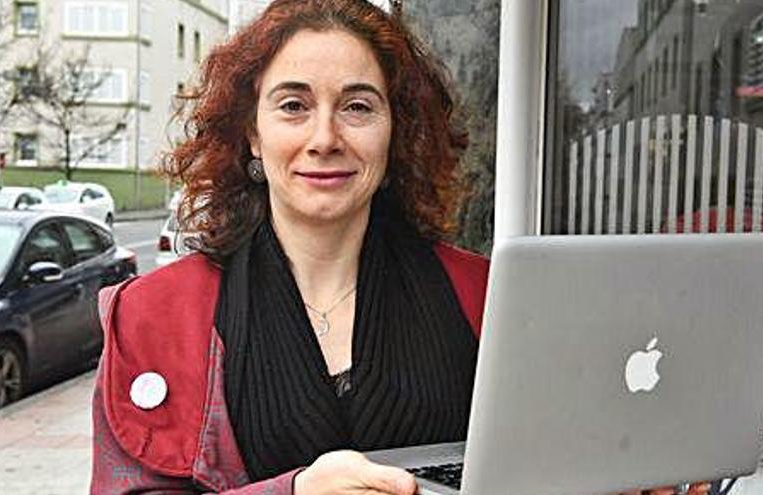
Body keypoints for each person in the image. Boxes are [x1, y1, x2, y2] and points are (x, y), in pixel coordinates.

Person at [90, 1, 709, 494]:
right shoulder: (152, 316)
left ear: (396, 131)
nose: (325, 137)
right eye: (294, 105)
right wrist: (296, 492)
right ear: (253, 134)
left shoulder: (490, 298)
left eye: (357, 106)